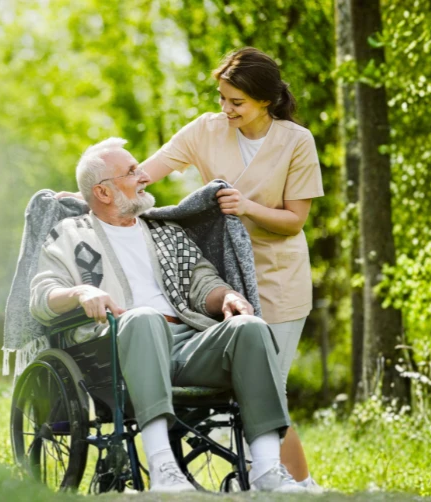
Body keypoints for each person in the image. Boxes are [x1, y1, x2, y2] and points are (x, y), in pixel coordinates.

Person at [30, 137, 306, 493]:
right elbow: (42, 295)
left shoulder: (165, 233)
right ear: (103, 192)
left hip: (187, 346)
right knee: (144, 317)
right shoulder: (69, 235)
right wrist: (81, 292)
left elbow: (202, 281)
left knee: (249, 327)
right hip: (114, 351)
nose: (144, 176)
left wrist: (227, 296)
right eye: (132, 171)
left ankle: (267, 469)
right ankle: (163, 468)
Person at [139, 47, 324, 488]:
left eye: (236, 102)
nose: (226, 109)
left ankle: (296, 484)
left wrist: (247, 207)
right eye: (222, 98)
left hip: (279, 277)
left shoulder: (297, 141)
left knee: (270, 386)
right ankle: (281, 481)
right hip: (224, 279)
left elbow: (295, 220)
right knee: (244, 386)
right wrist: (90, 191)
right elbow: (144, 174)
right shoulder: (205, 130)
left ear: (266, 100)